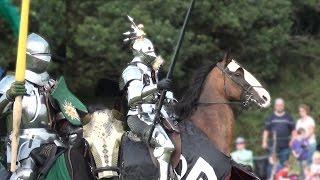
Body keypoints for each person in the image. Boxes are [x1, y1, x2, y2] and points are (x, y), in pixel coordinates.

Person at [0, 33, 93, 179]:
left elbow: (62, 115)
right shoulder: (10, 82)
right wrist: (8, 96)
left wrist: (72, 129)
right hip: (24, 145)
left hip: (54, 142)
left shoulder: (51, 85)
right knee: (25, 175)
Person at [120, 16, 178, 180]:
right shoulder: (132, 70)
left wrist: (168, 95)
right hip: (138, 117)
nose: (154, 56)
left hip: (156, 114)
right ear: (140, 53)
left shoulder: (151, 71)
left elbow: (157, 95)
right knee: (166, 146)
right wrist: (158, 87)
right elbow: (133, 98)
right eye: (149, 52)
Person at [262, 98, 295, 177]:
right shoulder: (270, 117)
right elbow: (266, 131)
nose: (279, 107)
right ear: (275, 106)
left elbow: (294, 131)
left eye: (281, 105)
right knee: (271, 164)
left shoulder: (289, 117)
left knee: (284, 165)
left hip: (286, 146)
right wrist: (264, 142)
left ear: (283, 106)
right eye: (278, 105)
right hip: (273, 146)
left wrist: (292, 141)